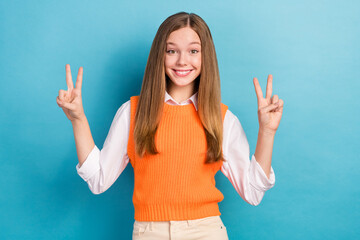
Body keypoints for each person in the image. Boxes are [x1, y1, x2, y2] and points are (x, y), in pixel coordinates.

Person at [56, 12, 284, 240]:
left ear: (206, 57)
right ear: (160, 55)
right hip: (148, 233)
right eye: (171, 50)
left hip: (206, 232)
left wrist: (267, 132)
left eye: (193, 51)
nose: (182, 61)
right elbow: (98, 180)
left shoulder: (221, 118)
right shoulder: (133, 112)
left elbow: (253, 192)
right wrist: (78, 119)